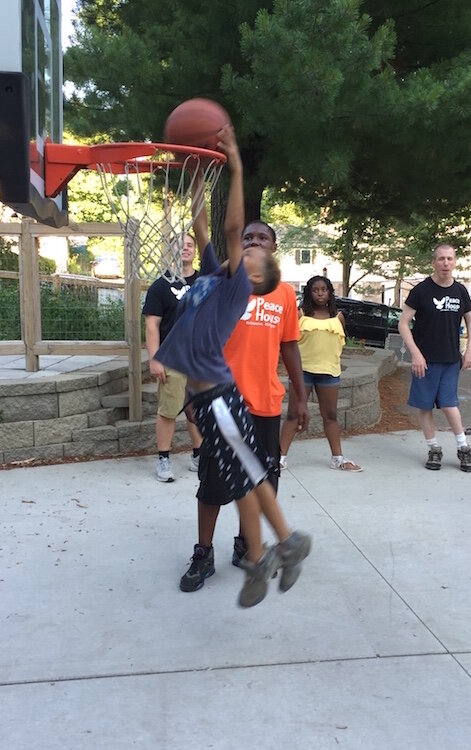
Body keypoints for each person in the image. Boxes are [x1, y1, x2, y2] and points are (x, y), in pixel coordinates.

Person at [153, 125, 311, 607]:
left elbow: (229, 227)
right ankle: (275, 549)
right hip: (209, 398)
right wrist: (198, 178)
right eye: (245, 247)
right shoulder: (212, 276)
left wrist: (237, 166)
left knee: (249, 476)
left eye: (254, 253)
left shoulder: (237, 287)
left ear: (256, 278)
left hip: (221, 397)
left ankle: (279, 546)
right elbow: (207, 227)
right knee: (242, 477)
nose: (245, 249)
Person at [179, 215, 311, 593]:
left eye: (262, 237)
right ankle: (204, 553)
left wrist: (301, 397)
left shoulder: (283, 293)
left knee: (258, 479)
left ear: (272, 250)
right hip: (220, 398)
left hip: (264, 402)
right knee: (213, 484)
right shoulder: (225, 284)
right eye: (247, 236)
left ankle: (249, 547)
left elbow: (289, 346)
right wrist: (193, 394)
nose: (253, 240)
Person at [398, 243, 471, 472]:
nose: (445, 263)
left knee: (450, 403)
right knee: (425, 406)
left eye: (449, 259)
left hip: (451, 359)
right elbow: (403, 323)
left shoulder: (460, 291)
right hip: (425, 360)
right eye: (441, 259)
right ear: (434, 262)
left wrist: (470, 349)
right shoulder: (421, 291)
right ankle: (434, 448)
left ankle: (463, 448)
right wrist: (415, 354)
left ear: (454, 262)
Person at [279, 275, 362, 472]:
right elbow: (288, 342)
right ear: (309, 292)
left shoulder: (338, 316)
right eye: (315, 290)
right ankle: (280, 458)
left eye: (323, 290)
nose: (319, 293)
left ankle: (337, 458)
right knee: (293, 414)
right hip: (302, 372)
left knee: (330, 415)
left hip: (329, 372)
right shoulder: (300, 314)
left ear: (330, 293)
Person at [142, 234, 202, 482]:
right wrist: (155, 358)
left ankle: (199, 455)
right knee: (168, 410)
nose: (185, 249)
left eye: (189, 245)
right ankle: (164, 459)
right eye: (179, 246)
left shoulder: (205, 282)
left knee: (197, 409)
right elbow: (152, 325)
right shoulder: (160, 286)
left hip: (200, 358)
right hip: (172, 357)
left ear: (195, 251)